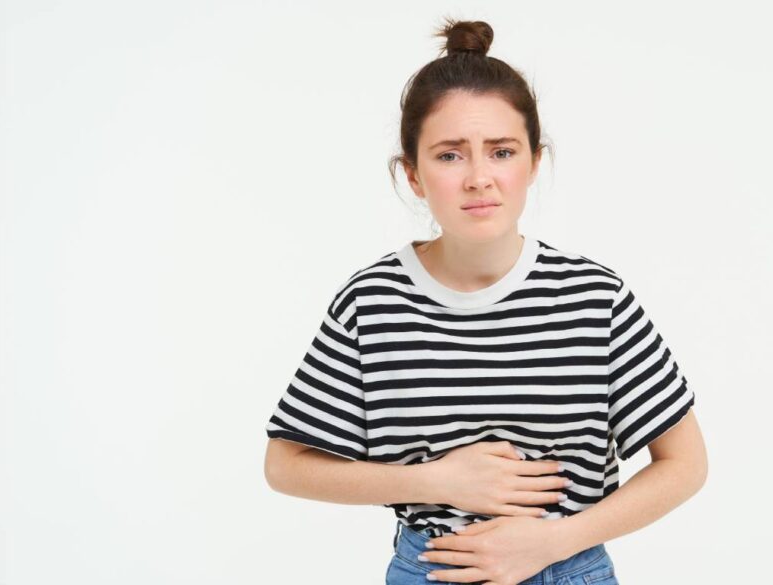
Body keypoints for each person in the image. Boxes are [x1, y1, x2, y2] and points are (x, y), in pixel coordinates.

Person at [263, 17, 708, 585]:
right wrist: (436, 481)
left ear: (533, 162)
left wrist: (554, 541)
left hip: (567, 571)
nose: (479, 177)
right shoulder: (371, 302)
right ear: (414, 174)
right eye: (450, 155)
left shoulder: (596, 298)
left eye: (501, 151)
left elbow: (685, 464)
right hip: (428, 571)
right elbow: (287, 466)